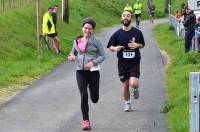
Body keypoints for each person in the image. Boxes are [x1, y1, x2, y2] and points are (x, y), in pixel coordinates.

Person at [68, 18, 105, 130]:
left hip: (93, 72)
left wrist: (93, 62)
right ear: (82, 28)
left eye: (90, 28)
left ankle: (92, 91)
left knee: (94, 98)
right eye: (85, 28)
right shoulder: (77, 40)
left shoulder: (97, 41)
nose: (87, 30)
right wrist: (71, 57)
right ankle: (86, 121)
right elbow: (72, 53)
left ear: (93, 29)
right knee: (83, 96)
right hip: (80, 71)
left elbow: (103, 56)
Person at [107, 10, 145, 112]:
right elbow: (109, 46)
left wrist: (137, 45)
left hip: (134, 62)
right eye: (124, 16)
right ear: (121, 18)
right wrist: (115, 48)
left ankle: (136, 89)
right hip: (122, 64)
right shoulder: (117, 34)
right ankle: (128, 104)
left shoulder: (137, 32)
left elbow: (142, 44)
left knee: (133, 83)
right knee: (125, 85)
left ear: (131, 18)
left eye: (128, 16)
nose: (125, 17)